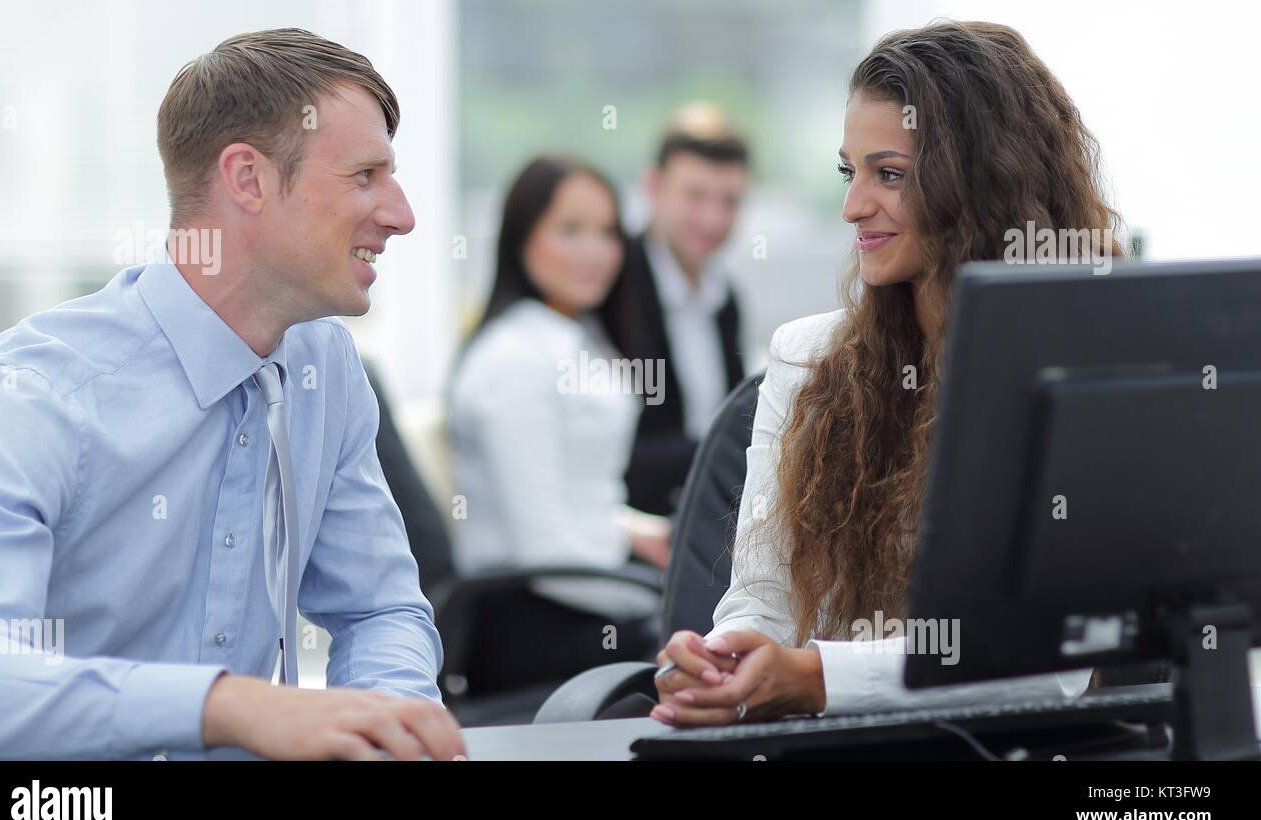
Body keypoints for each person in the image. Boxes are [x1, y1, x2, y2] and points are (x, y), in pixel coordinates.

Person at [0, 28, 464, 760]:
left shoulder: (326, 370)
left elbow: (379, 607)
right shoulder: (31, 395)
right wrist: (228, 706)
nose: (402, 214)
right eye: (364, 176)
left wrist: (386, 730)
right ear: (248, 178)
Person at [652, 21, 1122, 726]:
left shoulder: (1066, 376)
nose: (853, 206)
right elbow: (762, 603)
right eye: (851, 171)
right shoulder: (806, 361)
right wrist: (723, 663)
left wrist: (816, 678)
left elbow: (1049, 664)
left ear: (980, 183)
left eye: (889, 175)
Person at [449, 155, 670, 631]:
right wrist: (656, 605)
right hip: (535, 618)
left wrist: (629, 527)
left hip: (581, 591)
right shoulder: (516, 359)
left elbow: (575, 490)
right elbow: (544, 550)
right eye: (570, 230)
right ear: (521, 237)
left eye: (607, 232)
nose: (595, 251)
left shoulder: (577, 336)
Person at [598, 103, 750, 517]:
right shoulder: (609, 281)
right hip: (634, 523)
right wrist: (720, 455)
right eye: (696, 196)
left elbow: (734, 419)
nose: (713, 218)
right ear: (653, 186)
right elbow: (612, 449)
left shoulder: (724, 299)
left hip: (705, 511)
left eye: (730, 201)